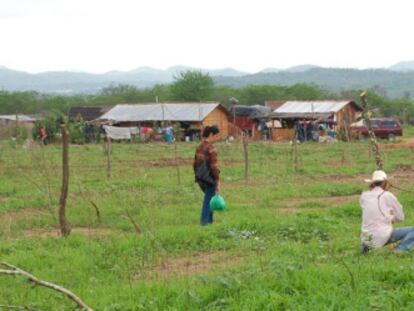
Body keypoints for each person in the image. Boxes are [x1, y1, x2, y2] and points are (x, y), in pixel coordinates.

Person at [360, 170, 414, 253]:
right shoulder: (388, 195)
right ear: (385, 182)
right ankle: (400, 250)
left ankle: (366, 249)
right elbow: (401, 217)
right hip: (382, 236)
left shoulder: (364, 196)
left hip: (365, 239)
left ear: (372, 183)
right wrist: (391, 218)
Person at [193, 126, 221, 225]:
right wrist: (217, 180)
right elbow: (214, 166)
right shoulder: (211, 148)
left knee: (210, 198)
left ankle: (209, 221)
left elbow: (195, 163)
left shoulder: (200, 146)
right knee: (208, 200)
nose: (218, 138)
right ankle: (204, 223)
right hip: (209, 177)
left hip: (200, 177)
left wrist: (198, 176)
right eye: (217, 136)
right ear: (211, 135)